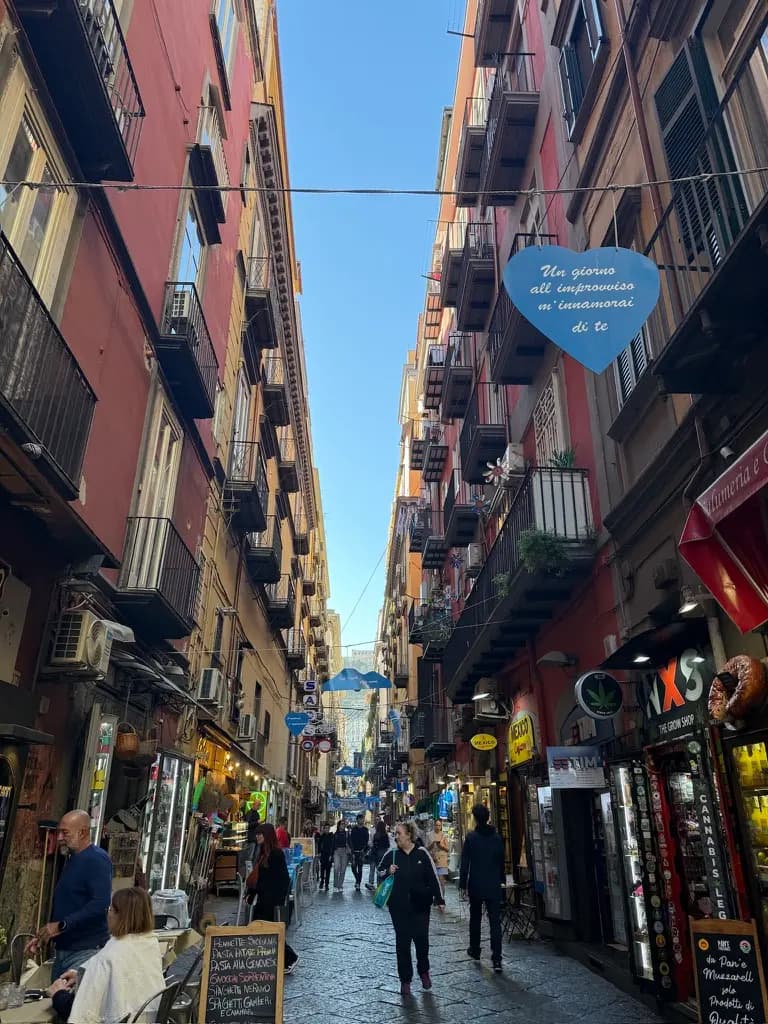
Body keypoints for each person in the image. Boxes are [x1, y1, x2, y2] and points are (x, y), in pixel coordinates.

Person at [46, 887, 165, 1023]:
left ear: (120, 916)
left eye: (110, 910)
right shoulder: (149, 943)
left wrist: (58, 994)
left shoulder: (111, 955)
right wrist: (83, 975)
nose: (107, 915)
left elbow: (81, 1013)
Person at [25, 809, 112, 980]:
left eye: (65, 833)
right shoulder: (72, 859)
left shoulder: (96, 859)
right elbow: (70, 903)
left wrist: (61, 926)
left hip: (85, 951)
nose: (59, 838)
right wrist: (46, 935)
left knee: (67, 1002)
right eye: (58, 833)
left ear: (83, 832)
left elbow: (100, 904)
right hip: (64, 951)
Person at [378, 821, 445, 996]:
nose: (396, 836)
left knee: (422, 941)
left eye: (399, 833)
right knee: (402, 944)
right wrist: (387, 872)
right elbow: (379, 873)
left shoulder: (422, 853)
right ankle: (405, 980)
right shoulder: (391, 855)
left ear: (409, 834)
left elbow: (433, 877)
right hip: (399, 907)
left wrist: (439, 899)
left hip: (421, 905)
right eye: (395, 833)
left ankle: (424, 971)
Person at [245, 824, 299, 973]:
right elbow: (260, 877)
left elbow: (280, 879)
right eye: (256, 834)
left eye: (260, 834)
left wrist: (276, 899)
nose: (257, 837)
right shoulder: (264, 852)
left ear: (267, 835)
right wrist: (252, 893)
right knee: (263, 928)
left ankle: (290, 958)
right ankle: (267, 958)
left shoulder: (275, 854)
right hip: (264, 897)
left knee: (269, 929)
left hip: (270, 898)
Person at [459, 804, 505, 972]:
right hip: (493, 884)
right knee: (495, 922)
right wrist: (502, 881)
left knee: (475, 918)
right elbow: (501, 862)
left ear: (475, 818)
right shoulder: (497, 838)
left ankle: (475, 949)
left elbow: (465, 863)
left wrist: (462, 884)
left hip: (477, 884)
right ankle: (497, 958)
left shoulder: (471, 838)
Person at [427, 819, 450, 897]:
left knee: (441, 881)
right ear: (434, 825)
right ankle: (436, 898)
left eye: (439, 825)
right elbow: (426, 849)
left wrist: (441, 846)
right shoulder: (429, 835)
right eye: (436, 825)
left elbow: (447, 849)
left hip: (442, 862)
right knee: (434, 882)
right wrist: (432, 845)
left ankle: (442, 899)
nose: (438, 827)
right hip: (433, 861)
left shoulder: (444, 835)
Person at [366, 819, 390, 891]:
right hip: (381, 853)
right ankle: (379, 884)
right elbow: (387, 845)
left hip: (374, 853)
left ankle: (371, 883)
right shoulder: (385, 835)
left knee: (372, 869)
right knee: (379, 869)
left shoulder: (376, 835)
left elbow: (372, 844)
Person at [349, 814, 370, 892]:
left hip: (362, 852)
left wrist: (364, 850)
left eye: (362, 819)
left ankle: (358, 884)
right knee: (353, 868)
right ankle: (357, 879)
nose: (361, 820)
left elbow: (367, 840)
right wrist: (352, 850)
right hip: (354, 851)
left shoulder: (365, 829)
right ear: (357, 820)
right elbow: (351, 840)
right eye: (360, 819)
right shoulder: (354, 829)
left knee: (360, 868)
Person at [331, 819, 349, 892]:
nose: (343, 825)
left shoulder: (347, 833)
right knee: (336, 868)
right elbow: (332, 844)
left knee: (343, 870)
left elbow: (349, 842)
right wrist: (332, 853)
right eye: (342, 824)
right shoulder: (335, 834)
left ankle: (340, 885)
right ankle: (335, 885)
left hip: (344, 851)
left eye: (344, 824)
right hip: (337, 851)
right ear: (339, 825)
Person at [317, 823, 334, 891]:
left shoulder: (331, 836)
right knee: (322, 869)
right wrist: (319, 853)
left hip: (329, 855)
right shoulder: (322, 836)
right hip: (323, 855)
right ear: (323, 829)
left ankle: (327, 884)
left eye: (328, 828)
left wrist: (331, 855)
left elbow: (332, 846)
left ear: (329, 829)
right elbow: (319, 845)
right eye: (325, 828)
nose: (327, 829)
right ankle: (321, 882)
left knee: (328, 870)